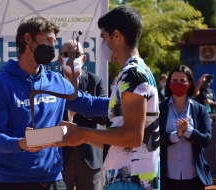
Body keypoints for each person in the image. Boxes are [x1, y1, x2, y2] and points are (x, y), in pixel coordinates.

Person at [0, 16, 109, 190]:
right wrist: (21, 144)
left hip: (54, 180)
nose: (52, 47)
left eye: (54, 42)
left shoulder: (56, 81)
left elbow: (90, 105)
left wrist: (126, 102)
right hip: (13, 181)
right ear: (28, 39)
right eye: (47, 40)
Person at [54, 5, 160, 190]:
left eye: (103, 37)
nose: (103, 43)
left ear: (116, 36)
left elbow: (133, 136)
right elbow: (114, 130)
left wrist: (83, 133)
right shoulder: (134, 72)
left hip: (130, 180)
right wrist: (81, 136)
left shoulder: (132, 74)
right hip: (125, 178)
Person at [58, 40, 106, 190]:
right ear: (60, 58)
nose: (72, 58)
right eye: (67, 54)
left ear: (84, 58)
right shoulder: (52, 82)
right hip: (60, 157)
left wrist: (84, 107)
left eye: (76, 54)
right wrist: (68, 114)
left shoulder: (95, 81)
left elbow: (105, 117)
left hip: (90, 157)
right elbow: (46, 116)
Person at [159, 65, 212, 190]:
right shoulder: (160, 109)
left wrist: (188, 131)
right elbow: (153, 138)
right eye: (174, 81)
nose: (178, 84)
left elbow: (207, 139)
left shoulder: (200, 109)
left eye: (182, 81)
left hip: (194, 179)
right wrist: (175, 135)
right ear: (169, 83)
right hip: (167, 180)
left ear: (189, 84)